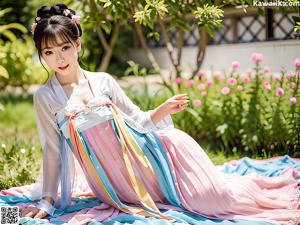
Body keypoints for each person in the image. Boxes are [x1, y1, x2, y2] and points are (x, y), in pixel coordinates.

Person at [20, 3, 300, 225]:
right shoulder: (46, 96)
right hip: (119, 186)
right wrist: (47, 200)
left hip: (151, 159)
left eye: (65, 47)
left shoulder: (104, 81)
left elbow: (139, 120)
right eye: (49, 51)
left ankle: (269, 194)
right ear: (41, 55)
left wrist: (162, 109)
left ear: (78, 45)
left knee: (217, 200)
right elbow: (52, 150)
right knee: (205, 202)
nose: (60, 58)